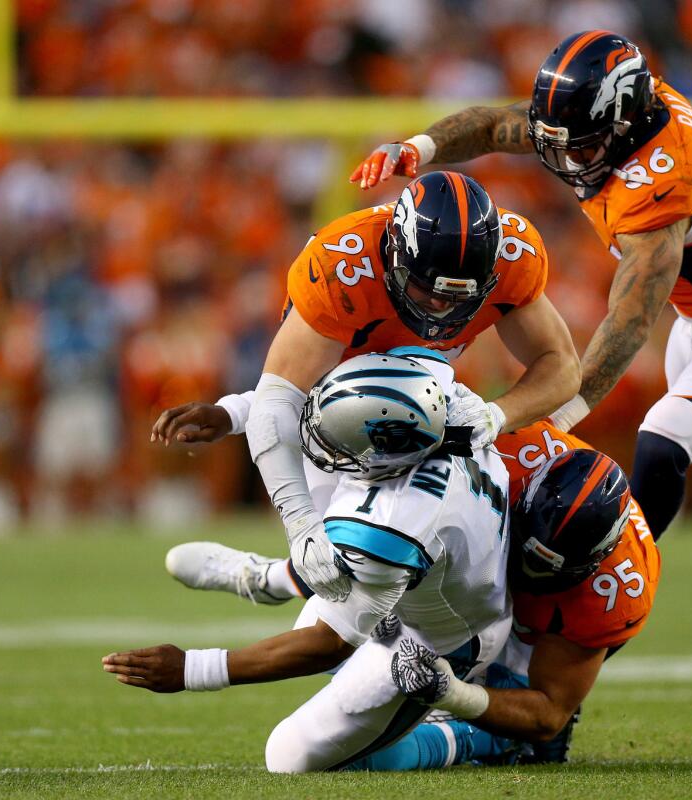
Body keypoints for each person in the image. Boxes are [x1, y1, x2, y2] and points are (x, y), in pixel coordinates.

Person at [351, 31, 692, 596]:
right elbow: (495, 125)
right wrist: (419, 148)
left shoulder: (661, 179)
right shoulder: (616, 116)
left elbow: (630, 319)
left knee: (664, 438)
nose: (567, 158)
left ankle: (618, 581)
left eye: (582, 145)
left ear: (621, 124)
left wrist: (565, 411)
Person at [151, 170, 580, 603]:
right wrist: (301, 526)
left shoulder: (512, 257)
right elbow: (283, 397)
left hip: (429, 407)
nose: (440, 307)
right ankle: (264, 579)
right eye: (426, 289)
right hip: (337, 421)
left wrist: (496, 414)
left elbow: (561, 365)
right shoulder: (344, 266)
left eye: (458, 297)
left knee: (433, 573)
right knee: (341, 581)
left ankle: (267, 579)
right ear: (396, 253)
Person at [167, 414, 660, 770]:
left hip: (516, 636)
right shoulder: (509, 451)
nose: (530, 569)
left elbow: (548, 710)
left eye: (546, 567)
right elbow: (398, 523)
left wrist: (457, 694)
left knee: (331, 753)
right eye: (529, 553)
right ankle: (273, 578)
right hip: (464, 578)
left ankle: (482, 740)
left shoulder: (613, 589)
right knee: (389, 563)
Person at [105, 353, 514, 773]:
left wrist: (192, 669)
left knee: (289, 755)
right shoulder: (439, 401)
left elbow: (327, 643)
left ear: (384, 454)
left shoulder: (395, 522)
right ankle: (270, 578)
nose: (321, 442)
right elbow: (347, 398)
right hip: (433, 578)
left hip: (436, 640)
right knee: (336, 555)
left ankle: (477, 738)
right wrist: (232, 413)